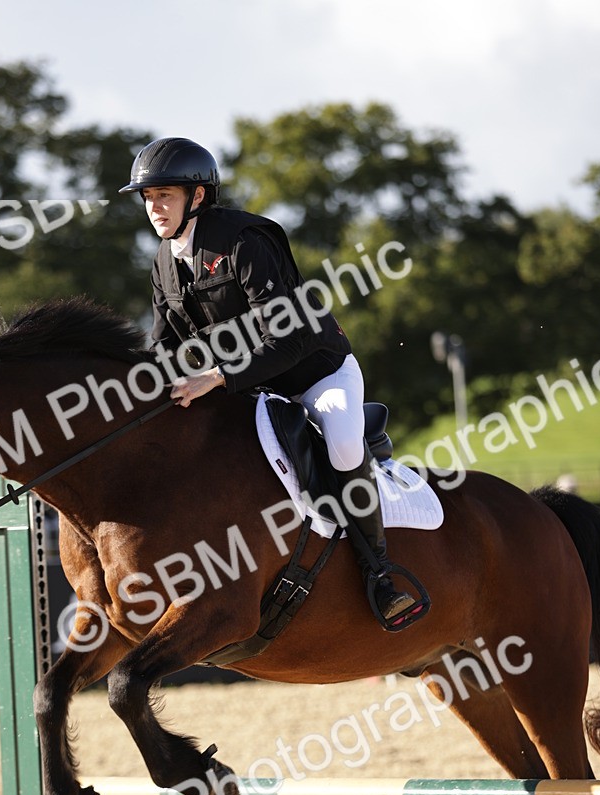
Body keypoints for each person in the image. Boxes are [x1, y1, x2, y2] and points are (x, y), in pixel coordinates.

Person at [119, 136, 420, 628]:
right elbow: (164, 346)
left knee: (343, 447)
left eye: (165, 196)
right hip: (252, 389)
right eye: (148, 198)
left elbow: (290, 339)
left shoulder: (244, 243)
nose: (154, 208)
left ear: (197, 197)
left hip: (316, 374)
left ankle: (382, 574)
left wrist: (216, 376)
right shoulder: (163, 262)